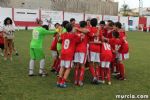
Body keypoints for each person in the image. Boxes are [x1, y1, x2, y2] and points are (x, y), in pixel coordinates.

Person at [56, 23, 82, 88]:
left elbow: (59, 40)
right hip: (69, 53)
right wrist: (81, 36)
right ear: (72, 28)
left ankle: (58, 81)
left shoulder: (64, 34)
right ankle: (63, 82)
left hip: (63, 52)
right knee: (68, 68)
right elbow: (80, 40)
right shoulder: (74, 35)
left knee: (62, 67)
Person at [74, 21, 89, 86]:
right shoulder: (86, 31)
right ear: (85, 25)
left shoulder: (76, 31)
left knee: (77, 65)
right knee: (82, 65)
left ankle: (75, 81)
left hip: (76, 49)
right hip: (83, 50)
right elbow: (87, 31)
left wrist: (77, 29)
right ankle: (80, 81)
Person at [88, 18, 102, 84]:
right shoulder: (99, 30)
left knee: (91, 63)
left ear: (90, 23)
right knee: (97, 63)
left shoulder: (90, 29)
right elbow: (101, 39)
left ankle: (94, 77)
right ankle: (97, 77)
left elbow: (88, 37)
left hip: (92, 48)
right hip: (98, 48)